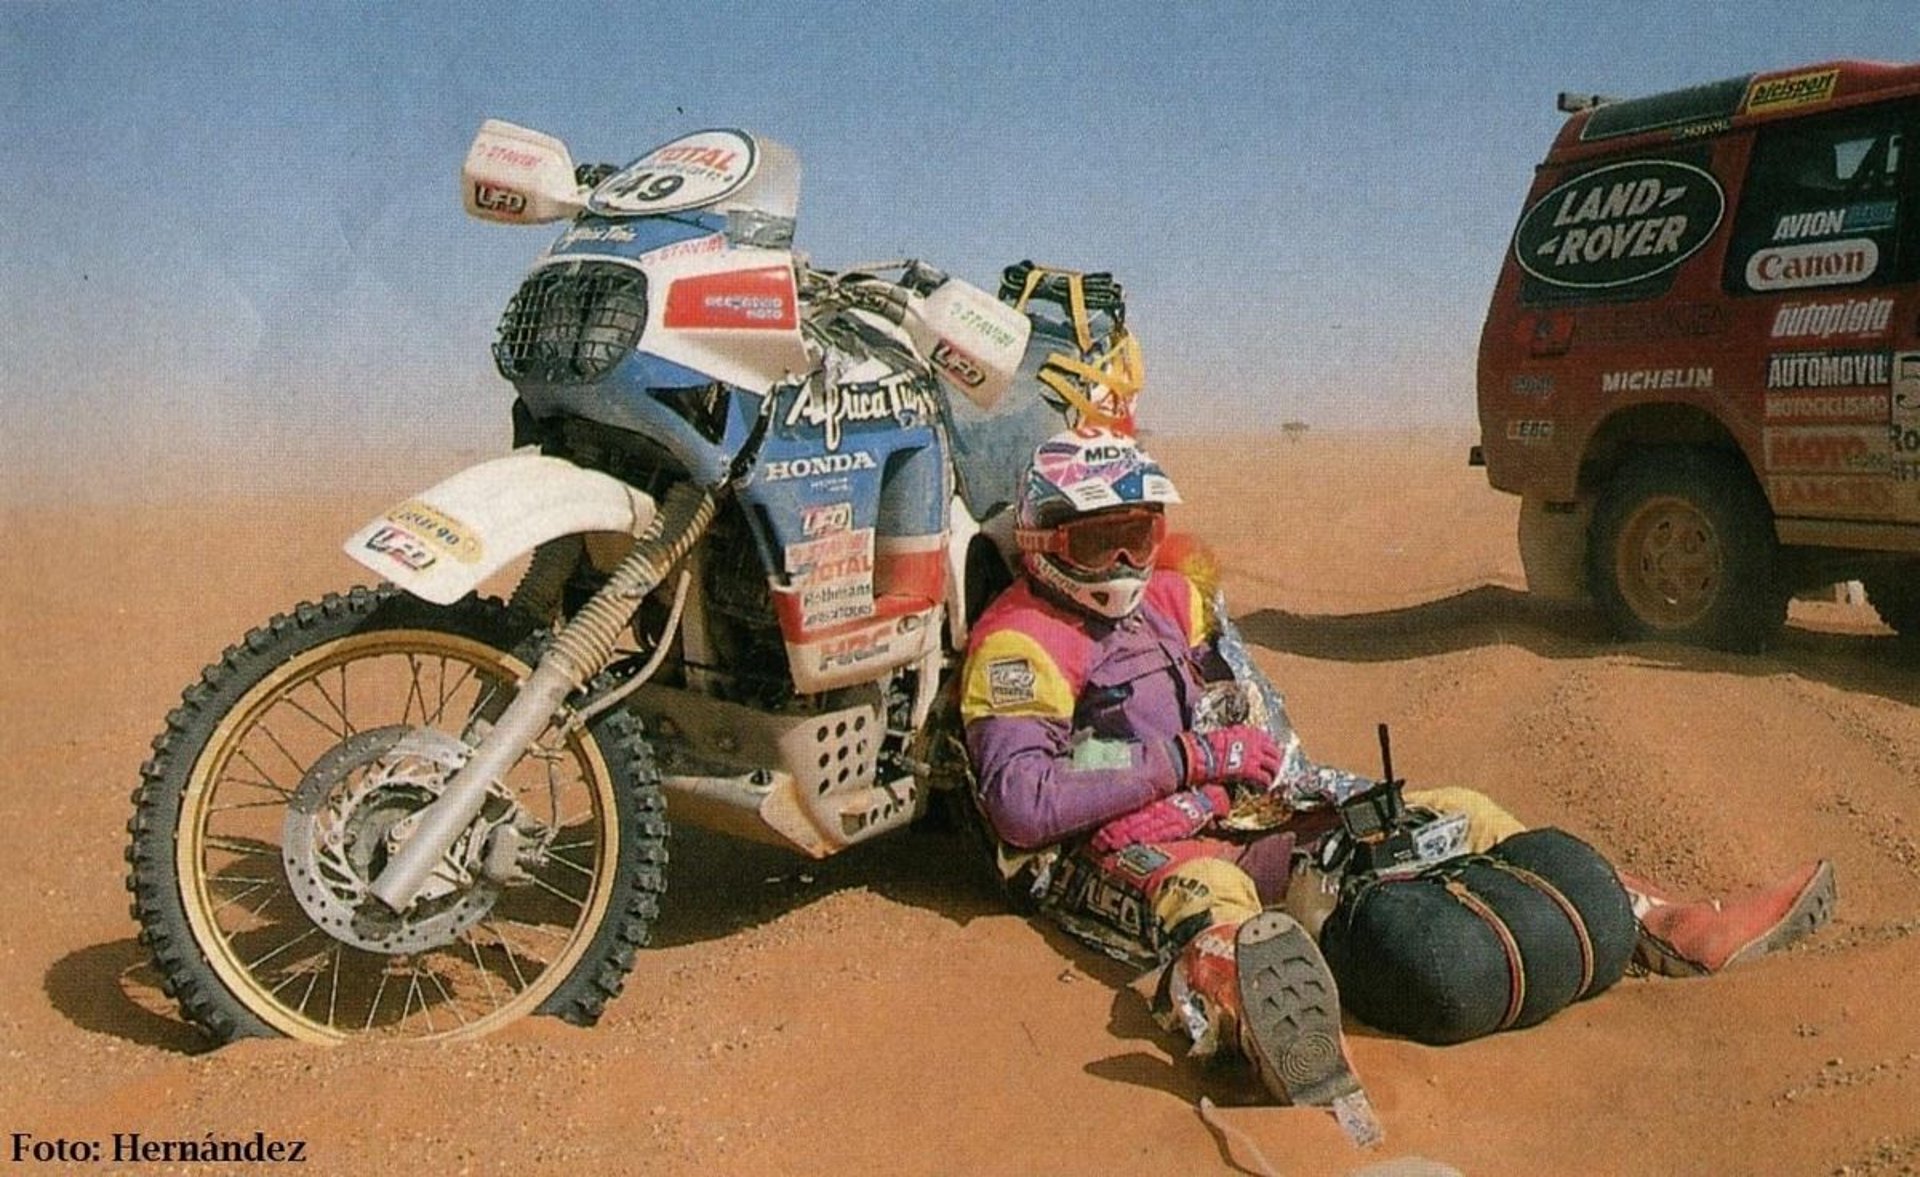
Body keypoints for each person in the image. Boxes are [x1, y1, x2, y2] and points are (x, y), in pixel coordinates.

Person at [959, 425, 1836, 1114]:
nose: (1122, 561)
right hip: (1114, 849)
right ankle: (1258, 1025)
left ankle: (1668, 921)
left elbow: (1243, 702)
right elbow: (1022, 800)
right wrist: (1183, 759)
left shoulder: (1174, 596)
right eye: (1097, 541)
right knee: (1211, 901)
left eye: (1136, 532)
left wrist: (1287, 777)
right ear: (1044, 541)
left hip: (1243, 807)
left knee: (1452, 810)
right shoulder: (1019, 639)